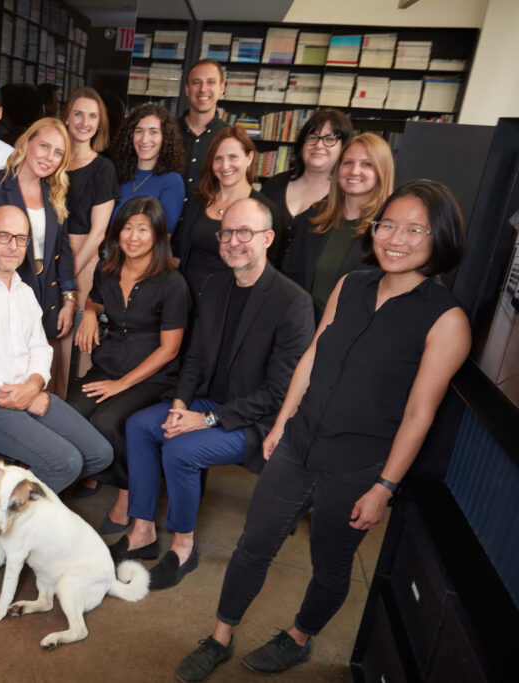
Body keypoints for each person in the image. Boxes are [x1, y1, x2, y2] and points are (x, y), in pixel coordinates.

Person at [174, 180, 470, 682]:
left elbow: (421, 413)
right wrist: (282, 423)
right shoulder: (350, 285)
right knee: (254, 544)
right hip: (298, 443)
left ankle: (299, 637)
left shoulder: (446, 319)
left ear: (438, 238)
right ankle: (219, 636)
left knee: (330, 564)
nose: (396, 238)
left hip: (359, 466)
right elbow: (310, 359)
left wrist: (384, 487)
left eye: (415, 229)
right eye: (388, 225)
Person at [113, 198, 313, 593]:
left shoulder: (293, 302)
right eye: (227, 233)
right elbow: (197, 356)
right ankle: (142, 531)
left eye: (245, 233)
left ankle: (183, 548)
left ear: (268, 238)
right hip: (205, 403)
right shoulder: (214, 285)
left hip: (253, 420)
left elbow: (278, 392)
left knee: (181, 450)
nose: (233, 241)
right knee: (139, 426)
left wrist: (204, 421)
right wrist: (180, 404)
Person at [0, 205, 113, 494]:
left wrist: (33, 385)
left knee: (100, 454)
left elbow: (40, 349)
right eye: (4, 236)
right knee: (66, 463)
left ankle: (18, 489)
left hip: (28, 390)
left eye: (21, 238)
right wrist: (28, 400)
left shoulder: (24, 291)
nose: (13, 246)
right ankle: (6, 525)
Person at [67, 197, 190, 522]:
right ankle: (97, 468)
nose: (133, 237)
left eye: (143, 229)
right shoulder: (107, 270)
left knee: (108, 420)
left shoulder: (172, 283)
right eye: (127, 228)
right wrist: (90, 314)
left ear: (158, 235)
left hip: (152, 376)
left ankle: (126, 491)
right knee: (73, 411)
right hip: (108, 365)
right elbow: (95, 300)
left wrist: (120, 385)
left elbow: (170, 350)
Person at [0, 117, 77, 398]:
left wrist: (68, 298)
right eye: (44, 146)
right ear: (26, 143)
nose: (49, 157)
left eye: (58, 153)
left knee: (38, 380)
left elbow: (61, 250)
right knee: (4, 380)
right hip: (0, 298)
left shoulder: (54, 193)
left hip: (46, 299)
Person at [282, 132, 394, 318]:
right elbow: (290, 276)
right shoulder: (315, 216)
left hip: (356, 336)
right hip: (305, 329)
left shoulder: (389, 230)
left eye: (366, 164)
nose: (354, 171)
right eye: (348, 162)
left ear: (382, 172)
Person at [173, 126, 275, 299]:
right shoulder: (196, 201)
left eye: (233, 157)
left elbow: (265, 269)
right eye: (218, 158)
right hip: (185, 300)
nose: (225, 165)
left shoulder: (263, 209)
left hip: (231, 301)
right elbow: (178, 253)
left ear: (249, 157)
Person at [61, 87, 119, 382]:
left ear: (100, 124)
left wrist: (65, 275)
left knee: (74, 346)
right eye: (79, 113)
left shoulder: (103, 168)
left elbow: (98, 234)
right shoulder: (53, 161)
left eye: (92, 116)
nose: (85, 122)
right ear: (67, 117)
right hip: (49, 255)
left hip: (82, 262)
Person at [260, 109, 352, 270]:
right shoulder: (275, 184)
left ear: (344, 148)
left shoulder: (345, 198)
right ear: (302, 143)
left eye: (330, 139)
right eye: (313, 137)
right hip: (260, 283)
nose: (319, 145)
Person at [111, 103, 186, 234]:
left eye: (153, 132)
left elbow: (163, 236)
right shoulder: (117, 175)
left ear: (165, 137)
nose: (144, 140)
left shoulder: (172, 181)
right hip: (110, 252)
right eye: (139, 131)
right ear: (130, 136)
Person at [178, 59, 228, 202]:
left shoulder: (230, 138)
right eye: (196, 82)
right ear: (187, 89)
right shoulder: (167, 132)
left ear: (222, 88)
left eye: (211, 82)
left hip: (208, 223)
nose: (203, 89)